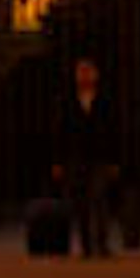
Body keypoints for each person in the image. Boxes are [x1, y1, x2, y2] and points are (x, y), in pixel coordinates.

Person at [54, 55, 119, 259]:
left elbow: (114, 131)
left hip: (99, 156)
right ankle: (86, 245)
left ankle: (102, 243)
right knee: (80, 202)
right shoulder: (65, 100)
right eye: (81, 71)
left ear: (96, 75)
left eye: (88, 71)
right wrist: (57, 161)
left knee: (99, 200)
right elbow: (59, 132)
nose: (85, 75)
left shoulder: (106, 99)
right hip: (75, 156)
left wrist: (114, 160)